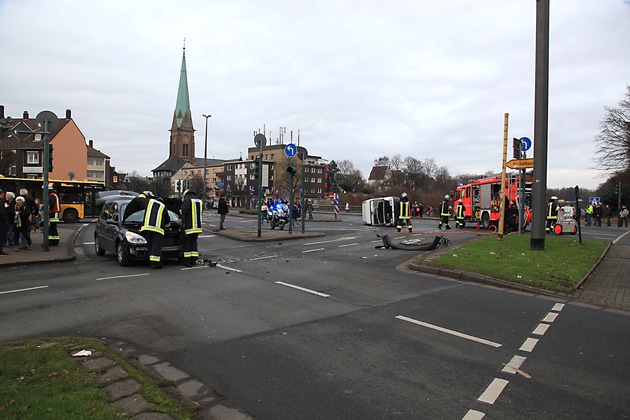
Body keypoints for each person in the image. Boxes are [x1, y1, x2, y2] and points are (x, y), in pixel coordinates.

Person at [181, 189, 203, 267]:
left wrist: (180, 210)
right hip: (197, 227)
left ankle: (187, 261)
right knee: (194, 243)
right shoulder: (199, 201)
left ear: (187, 195)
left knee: (187, 244)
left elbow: (184, 212)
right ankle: (193, 260)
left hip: (189, 226)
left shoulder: (188, 201)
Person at [0, 190, 8, 255]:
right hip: (1, 222)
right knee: (1, 236)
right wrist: (5, 220)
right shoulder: (1, 202)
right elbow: (2, 213)